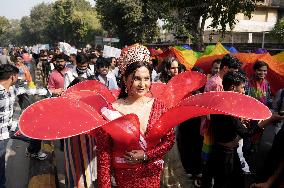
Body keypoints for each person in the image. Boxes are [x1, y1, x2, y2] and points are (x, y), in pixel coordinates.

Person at [95, 45, 175, 187]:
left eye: (146, 78)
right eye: (137, 78)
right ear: (125, 79)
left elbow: (169, 140)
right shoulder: (111, 111)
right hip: (125, 178)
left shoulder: (159, 106)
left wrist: (146, 156)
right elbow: (104, 156)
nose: (142, 84)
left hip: (152, 175)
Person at [210, 71, 269, 188]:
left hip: (221, 151)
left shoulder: (218, 101)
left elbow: (224, 124)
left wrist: (239, 121)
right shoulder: (228, 108)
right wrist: (268, 120)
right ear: (232, 87)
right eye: (242, 87)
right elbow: (246, 133)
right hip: (226, 155)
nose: (243, 91)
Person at [64, 77, 97, 188]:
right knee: (78, 170)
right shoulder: (68, 102)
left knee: (82, 169)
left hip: (87, 140)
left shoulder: (88, 102)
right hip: (76, 141)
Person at [0, 64, 19, 187]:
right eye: (17, 76)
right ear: (12, 76)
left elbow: (27, 89)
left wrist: (53, 91)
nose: (19, 78)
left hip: (10, 128)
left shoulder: (11, 89)